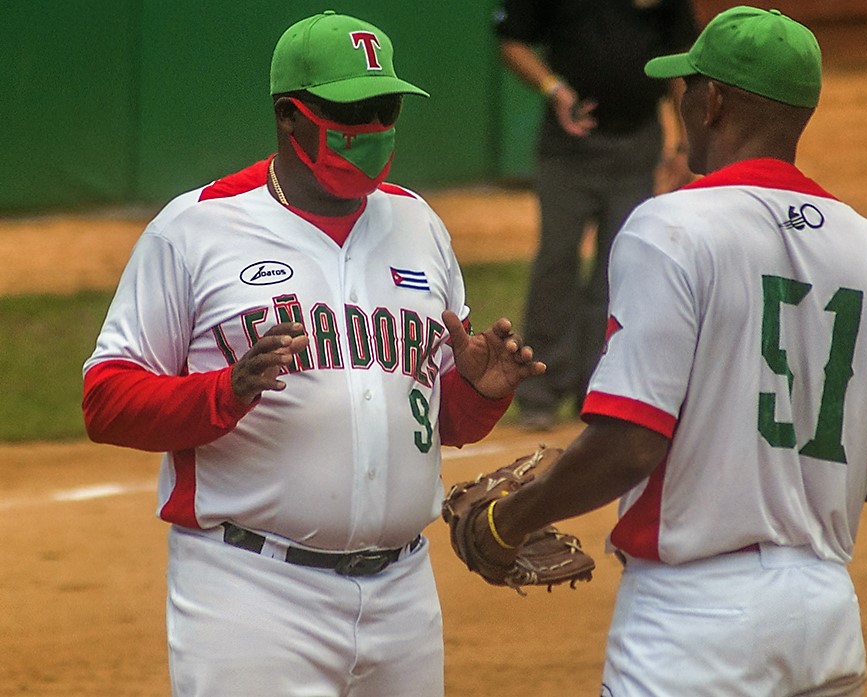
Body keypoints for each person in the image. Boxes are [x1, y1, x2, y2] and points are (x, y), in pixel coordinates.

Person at [81, 11, 544, 697]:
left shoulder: (419, 225)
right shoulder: (197, 228)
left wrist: (479, 391)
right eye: (348, 110)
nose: (371, 127)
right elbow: (106, 401)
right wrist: (224, 392)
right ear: (288, 116)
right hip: (251, 595)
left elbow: (435, 424)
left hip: (402, 597)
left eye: (384, 108)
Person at [475, 6, 867, 695]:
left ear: (711, 100)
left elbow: (629, 445)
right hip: (826, 618)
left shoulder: (671, 227)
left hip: (693, 625)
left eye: (687, 88)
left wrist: (506, 522)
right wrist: (772, 474)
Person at [494, 0, 700, 429]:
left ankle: (602, 390)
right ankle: (540, 392)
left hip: (637, 142)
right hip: (567, 146)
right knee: (557, 261)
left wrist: (683, 145)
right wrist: (553, 88)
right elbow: (511, 42)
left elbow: (681, 60)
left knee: (620, 268)